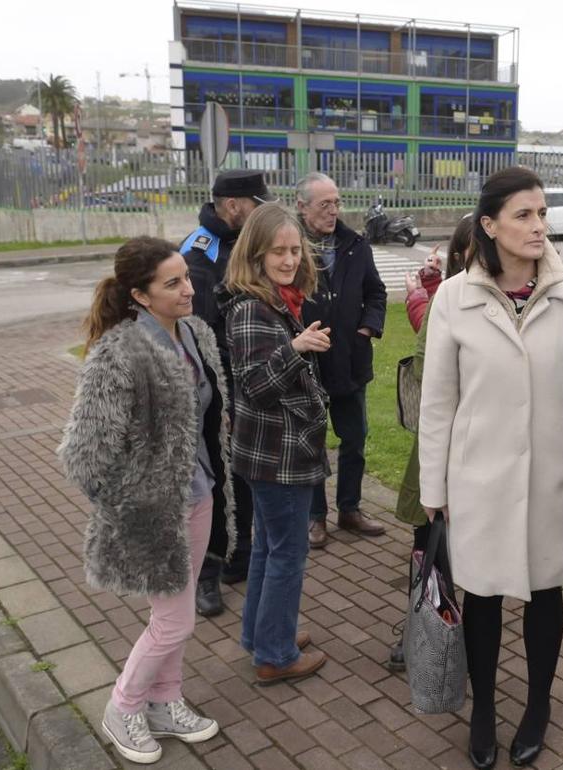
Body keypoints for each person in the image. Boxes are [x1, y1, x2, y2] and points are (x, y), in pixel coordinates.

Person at [420, 166, 563, 769]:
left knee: (545, 591)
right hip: (479, 477)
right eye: (523, 215)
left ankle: (537, 706)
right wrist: (435, 485)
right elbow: (439, 400)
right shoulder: (456, 296)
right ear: (489, 225)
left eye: (542, 213)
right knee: (483, 596)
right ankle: (481, 713)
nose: (538, 226)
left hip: (551, 475)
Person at [59, 237, 235, 764]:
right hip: (156, 511)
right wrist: (132, 504)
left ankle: (166, 701)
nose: (189, 289)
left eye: (187, 277)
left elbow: (206, 415)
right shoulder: (120, 353)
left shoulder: (195, 333)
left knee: (178, 615)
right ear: (139, 294)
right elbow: (83, 455)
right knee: (174, 620)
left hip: (200, 495)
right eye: (173, 282)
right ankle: (124, 706)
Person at [221, 203, 331, 684]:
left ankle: (264, 636)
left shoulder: (277, 299)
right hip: (277, 457)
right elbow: (254, 386)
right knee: (287, 553)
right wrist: (296, 348)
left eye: (294, 249)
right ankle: (276, 655)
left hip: (275, 452)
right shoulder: (251, 307)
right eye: (278, 251)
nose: (288, 259)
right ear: (256, 253)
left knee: (268, 546)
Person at [180, 168, 276, 617]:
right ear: (234, 205)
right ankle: (207, 574)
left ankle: (241, 556)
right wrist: (227, 398)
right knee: (214, 481)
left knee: (242, 479)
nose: (261, 212)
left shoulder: (244, 243)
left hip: (246, 381)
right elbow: (200, 334)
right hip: (215, 388)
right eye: (256, 204)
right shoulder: (200, 253)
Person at [387, 214, 475, 673]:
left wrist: (423, 290)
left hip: (476, 450)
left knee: (460, 546)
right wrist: (425, 291)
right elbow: (431, 361)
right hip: (441, 449)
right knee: (430, 541)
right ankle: (423, 627)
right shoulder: (451, 300)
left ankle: (449, 629)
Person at [295, 172, 389, 548]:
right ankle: (316, 517)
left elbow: (376, 293)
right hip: (310, 366)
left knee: (354, 439)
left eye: (336, 203)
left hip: (351, 361)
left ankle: (349, 508)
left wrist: (367, 328)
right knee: (313, 444)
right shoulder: (288, 247)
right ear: (302, 207)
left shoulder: (355, 244)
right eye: (324, 205)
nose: (334, 211)